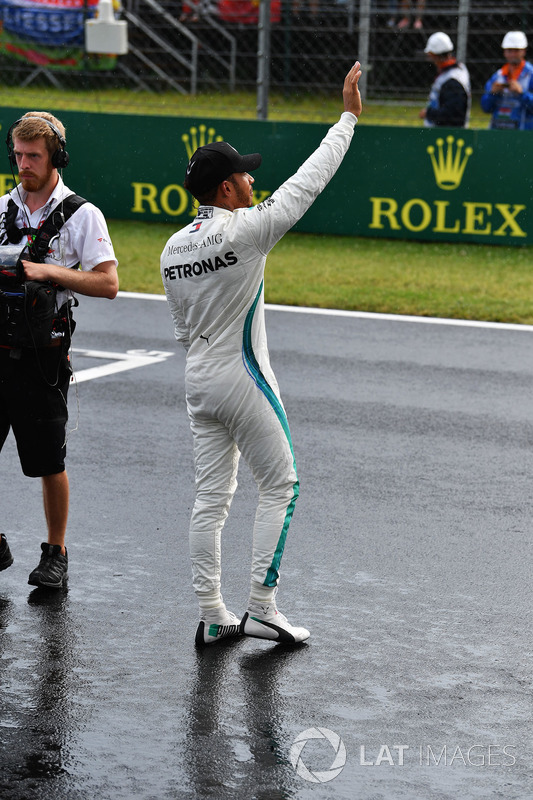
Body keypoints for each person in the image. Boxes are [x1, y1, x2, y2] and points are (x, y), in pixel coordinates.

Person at [161, 62, 362, 647]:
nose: (252, 182)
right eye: (244, 178)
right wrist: (348, 117)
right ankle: (262, 606)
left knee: (211, 500)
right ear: (226, 189)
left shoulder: (174, 247)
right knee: (283, 485)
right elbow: (310, 181)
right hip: (242, 377)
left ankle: (211, 612)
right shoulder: (247, 230)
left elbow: (180, 328)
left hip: (198, 380)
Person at [0, 112, 118, 589]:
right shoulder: (1, 209)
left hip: (43, 360)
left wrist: (48, 272)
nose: (24, 164)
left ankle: (56, 553)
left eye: (34, 156)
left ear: (57, 159)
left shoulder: (81, 214)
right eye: (19, 155)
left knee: (49, 460)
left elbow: (108, 283)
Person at [480, 31, 533, 130]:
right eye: (509, 50)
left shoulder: (530, 75)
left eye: (516, 50)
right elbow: (485, 108)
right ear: (504, 52)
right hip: (498, 134)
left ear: (524, 51)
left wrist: (522, 93)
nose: (512, 54)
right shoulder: (497, 76)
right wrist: (492, 94)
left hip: (524, 136)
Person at [419, 32, 471, 127]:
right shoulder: (458, 70)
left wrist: (428, 113)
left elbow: (451, 114)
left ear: (435, 55)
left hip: (446, 134)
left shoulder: (452, 80)